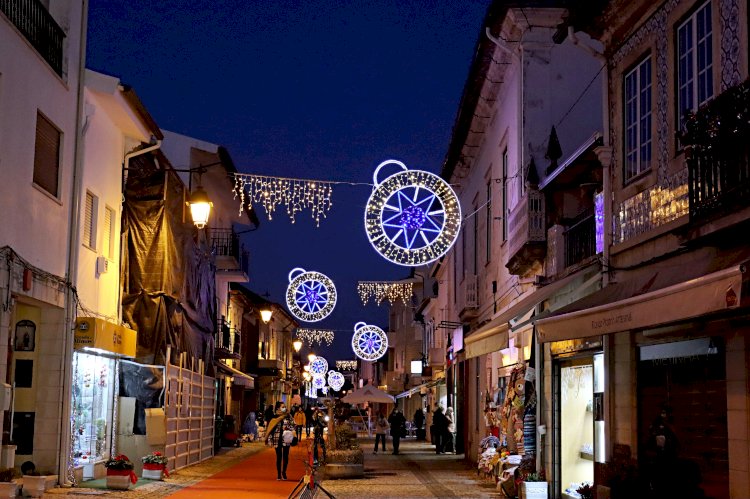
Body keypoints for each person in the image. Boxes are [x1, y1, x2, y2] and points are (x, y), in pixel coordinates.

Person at [265, 401, 295, 480]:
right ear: (278, 408)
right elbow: (270, 428)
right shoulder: (274, 417)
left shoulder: (288, 416)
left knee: (286, 456)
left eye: (284, 406)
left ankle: (284, 472)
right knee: (279, 457)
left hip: (286, 438)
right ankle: (278, 474)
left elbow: (293, 425)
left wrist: (289, 428)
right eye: (283, 406)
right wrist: (268, 438)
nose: (284, 408)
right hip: (277, 438)